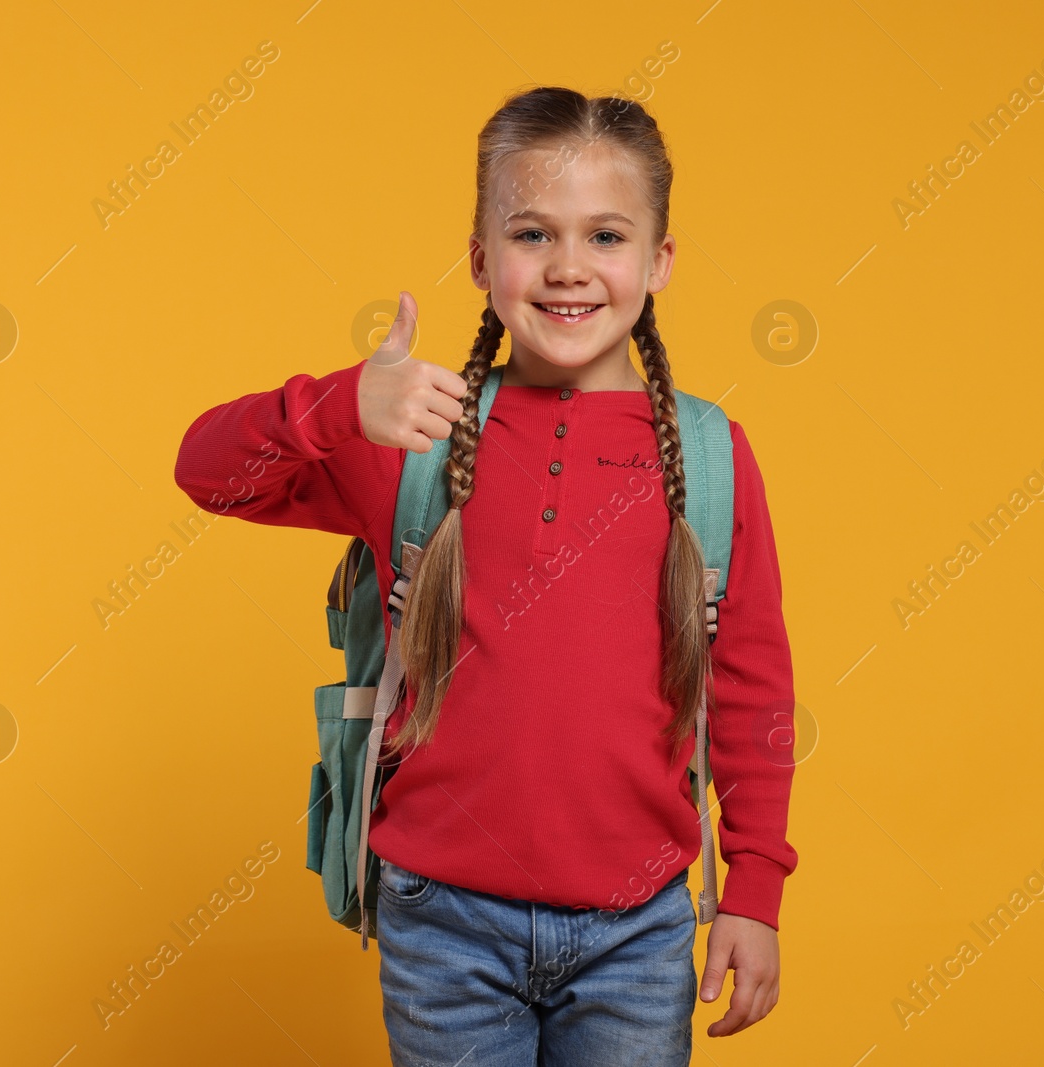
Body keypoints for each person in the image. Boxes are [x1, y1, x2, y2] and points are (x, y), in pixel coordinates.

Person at [173, 85, 798, 1066]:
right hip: (442, 921)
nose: (566, 268)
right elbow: (204, 470)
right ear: (478, 257)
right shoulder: (411, 431)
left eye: (604, 235)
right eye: (530, 233)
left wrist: (753, 887)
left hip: (638, 927)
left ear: (658, 261)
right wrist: (340, 403)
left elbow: (754, 680)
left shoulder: (709, 455)